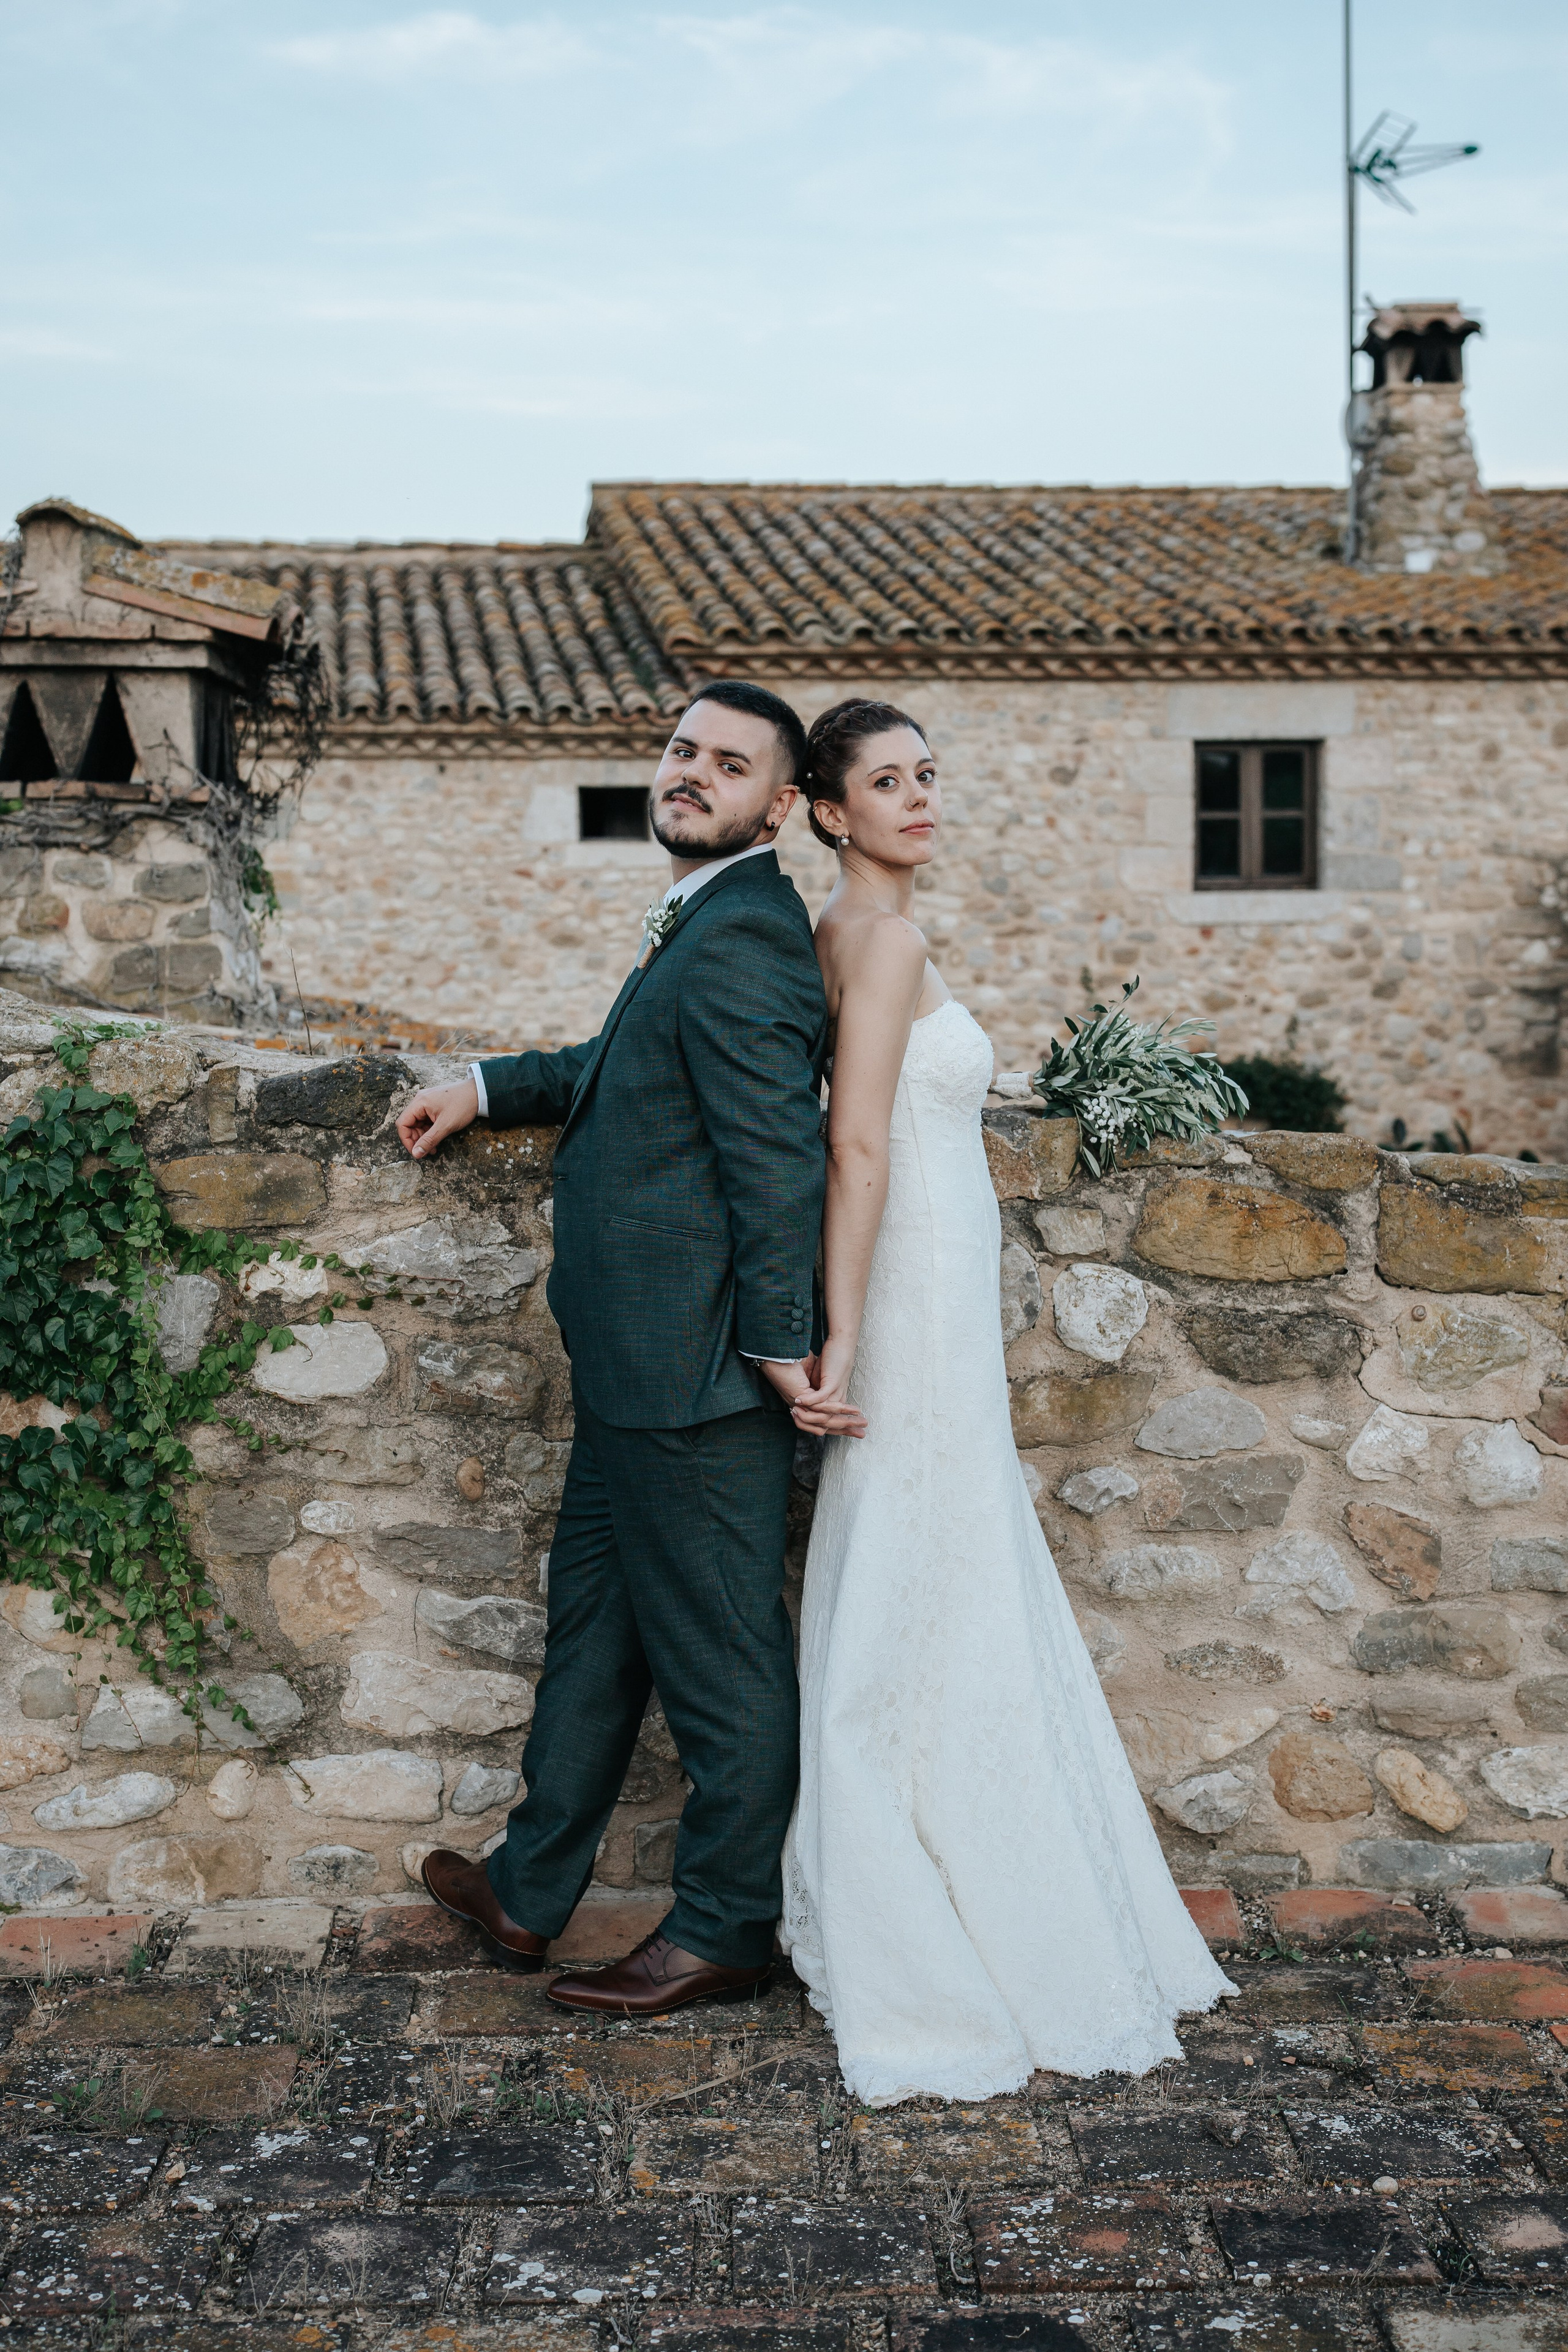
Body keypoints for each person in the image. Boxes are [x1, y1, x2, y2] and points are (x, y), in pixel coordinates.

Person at [780, 698, 1234, 2105]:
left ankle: (938, 1855)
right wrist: (842, 1336)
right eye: (886, 783)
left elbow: (897, 1108)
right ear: (827, 811)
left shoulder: (846, 936)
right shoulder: (886, 937)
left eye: (928, 776)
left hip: (932, 1281)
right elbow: (855, 1146)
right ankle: (936, 1904)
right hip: (907, 1294)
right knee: (931, 1560)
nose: (919, 799)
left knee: (934, 1562)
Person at [396, 680, 852, 2016]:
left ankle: (722, 1929)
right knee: (593, 1635)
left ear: (778, 804)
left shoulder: (749, 935)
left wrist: (777, 1345)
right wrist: (486, 1088)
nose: (689, 774)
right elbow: (627, 1067)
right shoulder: (708, 920)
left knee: (721, 1666)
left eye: (726, 763)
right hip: (630, 1369)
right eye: (678, 751)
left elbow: (777, 1166)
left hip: (699, 1377)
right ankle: (529, 1891)